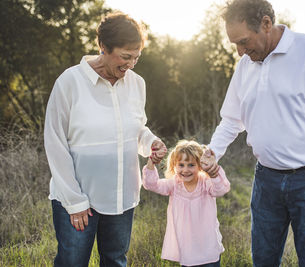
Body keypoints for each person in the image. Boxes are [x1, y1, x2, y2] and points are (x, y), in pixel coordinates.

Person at [201, 0, 305, 266]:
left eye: (244, 41)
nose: (239, 51)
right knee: (263, 260)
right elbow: (231, 120)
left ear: (266, 24)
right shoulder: (246, 65)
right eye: (234, 44)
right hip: (266, 181)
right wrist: (213, 151)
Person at [44, 12, 167, 267]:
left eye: (136, 57)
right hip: (78, 200)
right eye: (125, 57)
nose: (131, 64)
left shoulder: (137, 84)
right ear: (103, 47)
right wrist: (75, 201)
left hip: (122, 198)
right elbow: (55, 142)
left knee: (115, 261)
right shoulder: (69, 82)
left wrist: (150, 142)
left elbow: (136, 127)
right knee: (72, 262)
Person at [142, 140, 230, 267]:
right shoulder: (174, 184)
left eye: (191, 165)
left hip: (208, 247)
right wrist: (152, 162)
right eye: (181, 165)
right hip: (187, 249)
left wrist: (213, 173)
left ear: (200, 165)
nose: (185, 170)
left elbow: (221, 189)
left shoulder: (206, 183)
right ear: (174, 165)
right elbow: (151, 184)